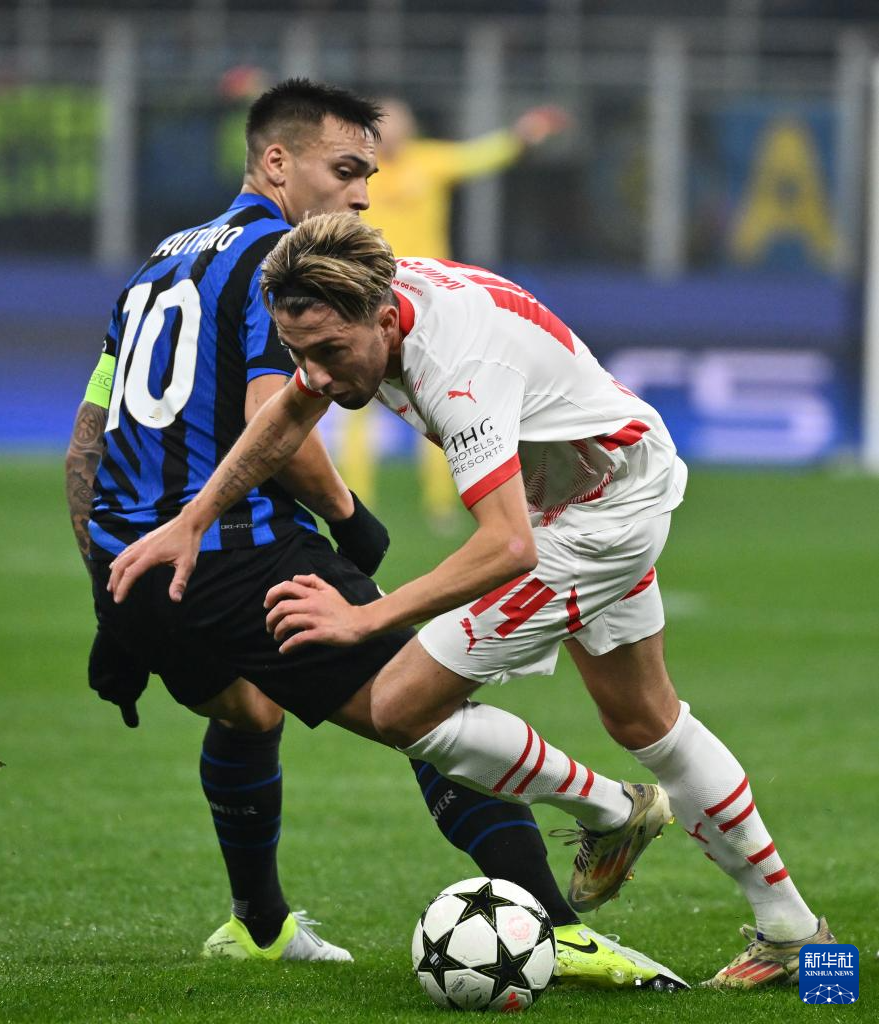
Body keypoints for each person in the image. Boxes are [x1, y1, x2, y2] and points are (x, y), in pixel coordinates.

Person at [107, 211, 837, 990]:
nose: (315, 373)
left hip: (594, 513)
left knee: (398, 705)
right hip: (605, 479)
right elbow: (286, 412)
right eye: (297, 352)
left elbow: (506, 547)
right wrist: (194, 521)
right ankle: (797, 937)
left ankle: (613, 812)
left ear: (383, 319)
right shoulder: (362, 311)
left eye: (328, 353)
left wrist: (365, 616)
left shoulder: (458, 366)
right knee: (644, 719)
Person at [65, 78, 683, 987]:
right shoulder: (281, 261)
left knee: (246, 708)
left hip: (138, 558)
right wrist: (350, 520)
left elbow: (89, 436)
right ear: (278, 162)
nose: (360, 195)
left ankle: (260, 927)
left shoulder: (157, 262)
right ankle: (557, 925)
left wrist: (109, 592)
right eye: (346, 171)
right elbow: (272, 413)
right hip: (237, 549)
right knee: (419, 705)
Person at [341, 97, 570, 530]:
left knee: (437, 399)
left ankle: (442, 503)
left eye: (398, 123)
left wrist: (522, 135)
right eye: (383, 126)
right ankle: (356, 502)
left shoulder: (429, 161)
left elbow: (478, 156)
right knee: (358, 403)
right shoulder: (356, 171)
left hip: (426, 302)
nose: (392, 133)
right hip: (368, 294)